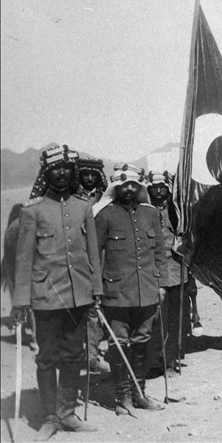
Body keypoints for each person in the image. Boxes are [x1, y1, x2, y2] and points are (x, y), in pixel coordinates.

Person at [11, 145, 101, 435]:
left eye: (66, 168)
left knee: (75, 355)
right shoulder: (32, 211)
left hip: (78, 295)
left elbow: (92, 255)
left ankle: (67, 414)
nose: (61, 173)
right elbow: (24, 260)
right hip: (46, 298)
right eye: (54, 169)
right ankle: (50, 417)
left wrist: (95, 291)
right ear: (46, 172)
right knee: (47, 357)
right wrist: (20, 301)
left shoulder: (83, 207)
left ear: (73, 171)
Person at [94, 163, 167, 414]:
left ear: (139, 187)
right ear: (115, 188)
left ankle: (140, 394)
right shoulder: (105, 215)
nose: (129, 189)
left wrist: (161, 284)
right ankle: (122, 397)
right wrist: (96, 289)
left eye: (133, 185)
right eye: (123, 185)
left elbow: (159, 251)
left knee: (142, 341)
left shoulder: (150, 214)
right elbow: (95, 255)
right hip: (116, 293)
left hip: (146, 289)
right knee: (118, 343)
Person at [145, 170, 189, 377]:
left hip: (176, 270)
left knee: (175, 320)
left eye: (163, 187)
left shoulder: (176, 210)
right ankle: (153, 361)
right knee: (154, 320)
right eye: (155, 187)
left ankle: (171, 360)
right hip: (152, 273)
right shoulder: (142, 211)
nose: (159, 191)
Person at [75, 156, 110, 375]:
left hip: (103, 257)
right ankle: (84, 355)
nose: (89, 178)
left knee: (98, 309)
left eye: (93, 175)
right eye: (85, 174)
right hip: (79, 258)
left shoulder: (105, 198)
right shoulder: (73, 197)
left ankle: (93, 355)